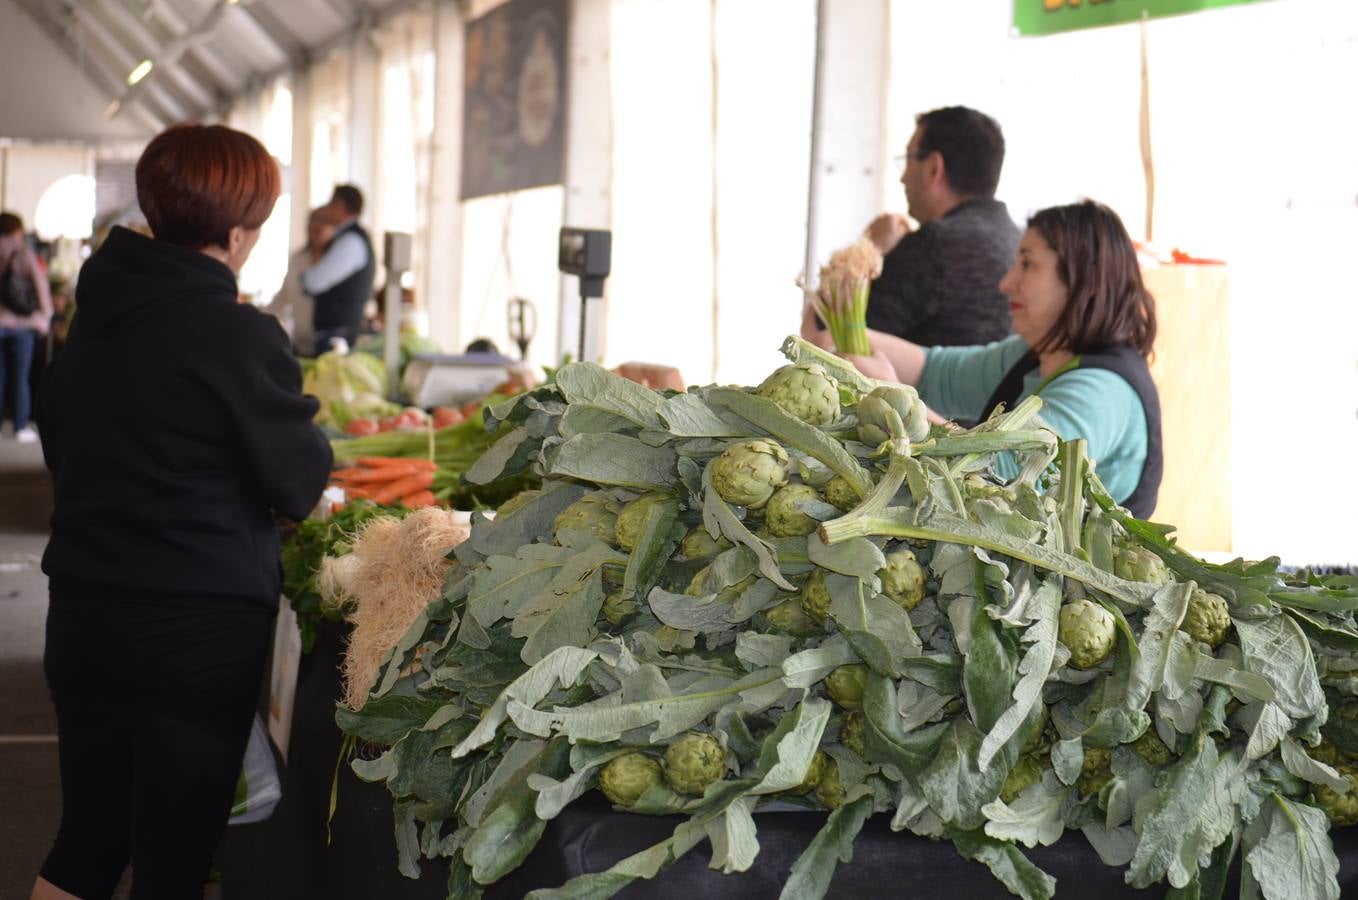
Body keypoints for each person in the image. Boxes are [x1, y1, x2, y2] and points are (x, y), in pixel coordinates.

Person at [32, 123, 333, 900]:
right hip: (197, 633)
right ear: (237, 233)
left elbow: (63, 448)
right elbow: (299, 483)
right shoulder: (240, 336)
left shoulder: (90, 324)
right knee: (174, 858)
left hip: (84, 613)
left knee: (90, 837)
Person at [836, 200, 1162, 518]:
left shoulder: (1102, 392)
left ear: (1084, 279)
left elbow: (1005, 473)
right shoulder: (1035, 354)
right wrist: (842, 324)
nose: (1006, 283)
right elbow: (936, 371)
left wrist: (896, 399)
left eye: (1027, 264)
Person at [804, 106, 1019, 348]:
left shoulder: (933, 245)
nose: (902, 177)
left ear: (933, 168)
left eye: (907, 160)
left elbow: (818, 338)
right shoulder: (1018, 241)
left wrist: (869, 249)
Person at [303, 183, 375, 356]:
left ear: (340, 205)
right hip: (333, 334)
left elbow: (313, 282)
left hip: (336, 338)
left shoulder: (351, 241)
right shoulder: (347, 238)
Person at [0, 212, 53, 443]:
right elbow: (41, 288)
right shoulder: (24, 253)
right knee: (20, 378)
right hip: (22, 326)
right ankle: (20, 426)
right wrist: (45, 316)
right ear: (17, 230)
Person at [264, 205, 339, 355]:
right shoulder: (297, 260)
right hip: (300, 345)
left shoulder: (338, 263)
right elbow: (282, 299)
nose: (318, 227)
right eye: (314, 221)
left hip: (330, 347)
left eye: (325, 222)